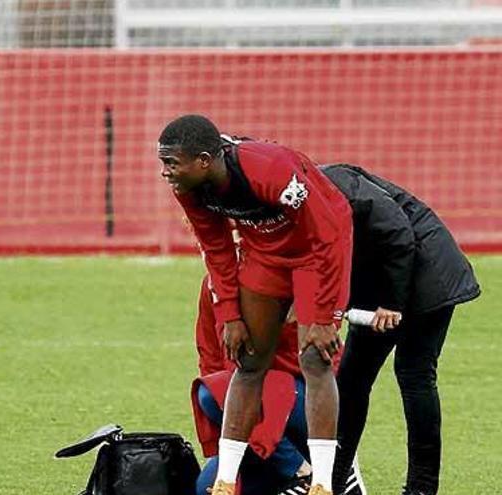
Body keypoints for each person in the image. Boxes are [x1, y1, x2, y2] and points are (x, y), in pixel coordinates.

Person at [158, 115, 352, 495]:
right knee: (248, 360)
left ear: (202, 160)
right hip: (264, 253)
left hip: (314, 252)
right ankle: (226, 483)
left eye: (171, 162)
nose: (165, 172)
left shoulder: (270, 168)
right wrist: (230, 315)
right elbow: (216, 250)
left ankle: (324, 484)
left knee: (315, 357)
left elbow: (328, 237)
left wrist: (327, 314)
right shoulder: (189, 187)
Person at [321, 164, 480, 495]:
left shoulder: (339, 187)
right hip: (381, 280)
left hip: (428, 274)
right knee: (351, 380)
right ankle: (331, 482)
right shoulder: (291, 201)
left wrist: (392, 304)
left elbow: (397, 232)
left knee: (414, 373)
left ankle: (421, 488)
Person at [191, 271, 367, 495]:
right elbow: (210, 358)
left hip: (303, 397)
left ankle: (306, 469)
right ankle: (304, 476)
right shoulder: (211, 285)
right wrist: (230, 434)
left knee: (210, 393)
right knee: (204, 489)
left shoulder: (286, 278)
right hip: (252, 413)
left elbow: (319, 363)